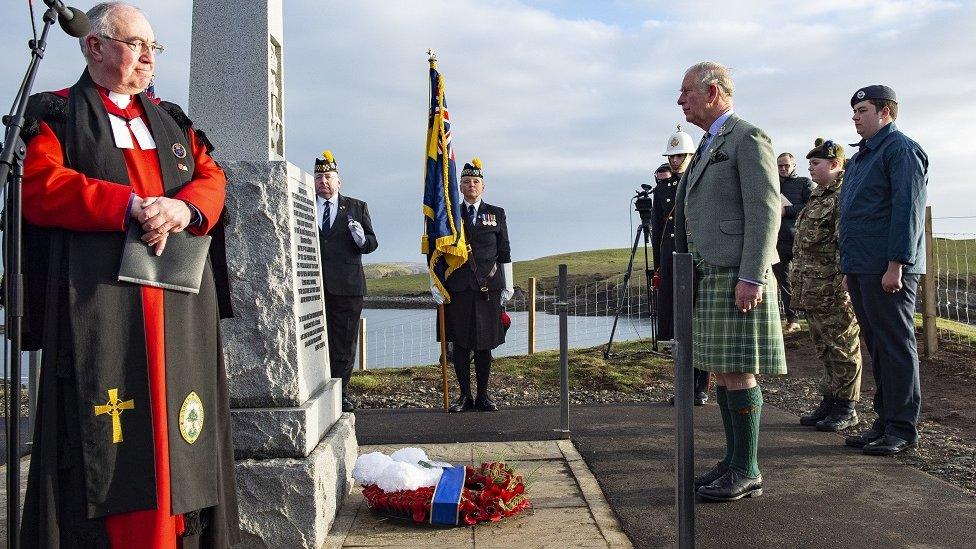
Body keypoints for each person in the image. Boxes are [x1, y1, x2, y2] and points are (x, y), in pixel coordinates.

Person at [18, 2, 239, 546]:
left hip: (178, 312)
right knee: (114, 437)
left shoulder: (173, 122)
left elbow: (212, 178)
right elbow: (40, 186)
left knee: (178, 435)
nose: (147, 57)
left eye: (152, 47)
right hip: (104, 309)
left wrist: (183, 211)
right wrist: (130, 206)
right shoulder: (60, 116)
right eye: (135, 44)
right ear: (94, 46)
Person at [673, 61, 786, 502]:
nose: (681, 100)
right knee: (723, 371)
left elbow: (764, 210)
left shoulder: (747, 136)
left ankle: (748, 468)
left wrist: (751, 276)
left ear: (713, 91)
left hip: (738, 274)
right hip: (711, 272)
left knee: (738, 372)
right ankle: (734, 459)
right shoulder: (708, 142)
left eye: (686, 92)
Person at [840, 85, 928, 456]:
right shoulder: (861, 158)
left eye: (862, 110)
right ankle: (885, 419)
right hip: (863, 267)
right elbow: (856, 215)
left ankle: (903, 427)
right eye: (855, 111)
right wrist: (849, 267)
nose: (855, 117)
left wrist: (897, 265)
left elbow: (907, 210)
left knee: (895, 344)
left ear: (886, 112)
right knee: (876, 344)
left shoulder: (900, 150)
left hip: (888, 268)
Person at [790, 139, 862, 432]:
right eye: (809, 165)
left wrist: (842, 284)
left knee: (843, 347)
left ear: (834, 165)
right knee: (824, 347)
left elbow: (844, 242)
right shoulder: (818, 196)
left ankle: (847, 407)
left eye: (815, 164)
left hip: (832, 288)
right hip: (812, 287)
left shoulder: (842, 196)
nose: (810, 170)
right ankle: (830, 400)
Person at [431, 158, 514, 412]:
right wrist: (435, 284)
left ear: (483, 186)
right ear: (460, 185)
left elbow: (505, 251)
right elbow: (436, 251)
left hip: (488, 289)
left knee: (484, 344)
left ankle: (483, 396)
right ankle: (464, 396)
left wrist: (508, 284)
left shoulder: (496, 214)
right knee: (460, 344)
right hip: (457, 289)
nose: (471, 186)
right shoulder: (449, 216)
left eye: (475, 182)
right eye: (466, 182)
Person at [315, 150, 379, 413]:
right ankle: (317, 387)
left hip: (347, 287)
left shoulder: (356, 207)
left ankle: (341, 392)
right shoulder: (302, 203)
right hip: (313, 285)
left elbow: (372, 243)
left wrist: (361, 239)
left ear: (339, 181)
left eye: (329, 177)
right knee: (317, 341)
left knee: (344, 342)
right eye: (319, 177)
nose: (324, 182)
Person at [656, 127, 710, 407]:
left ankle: (701, 386)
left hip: (695, 263)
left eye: (680, 156)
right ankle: (685, 385)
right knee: (679, 330)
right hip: (672, 263)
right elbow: (658, 232)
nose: (675, 161)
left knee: (697, 327)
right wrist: (658, 268)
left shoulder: (700, 182)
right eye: (672, 156)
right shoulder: (662, 189)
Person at [773, 152, 814, 333]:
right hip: (778, 240)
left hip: (800, 238)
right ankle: (792, 319)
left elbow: (811, 206)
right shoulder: (772, 185)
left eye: (786, 166)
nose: (783, 169)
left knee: (806, 279)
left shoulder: (804, 183)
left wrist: (786, 211)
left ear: (794, 165)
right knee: (784, 281)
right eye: (780, 166)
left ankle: (812, 318)